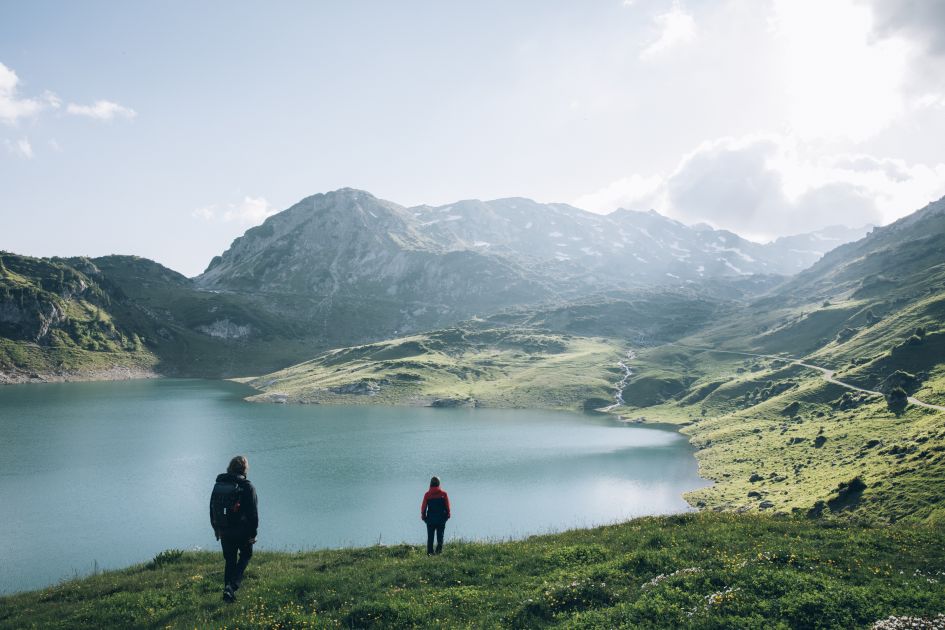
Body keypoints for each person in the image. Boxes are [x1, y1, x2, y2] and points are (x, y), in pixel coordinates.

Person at [210, 455, 258, 602]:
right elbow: (253, 514)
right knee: (245, 555)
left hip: (224, 529)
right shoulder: (247, 486)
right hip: (242, 531)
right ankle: (232, 586)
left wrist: (216, 529)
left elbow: (212, 509)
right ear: (245, 469)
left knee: (230, 560)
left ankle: (228, 594)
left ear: (230, 468)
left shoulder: (219, 485)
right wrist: (253, 533)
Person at [420, 475, 451, 555]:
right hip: (441, 519)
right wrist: (448, 515)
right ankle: (438, 552)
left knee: (430, 537)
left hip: (430, 519)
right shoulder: (444, 494)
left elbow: (423, 507)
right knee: (440, 537)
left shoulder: (427, 494)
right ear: (439, 484)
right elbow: (447, 506)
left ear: (430, 484)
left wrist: (424, 517)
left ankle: (430, 553)